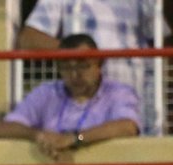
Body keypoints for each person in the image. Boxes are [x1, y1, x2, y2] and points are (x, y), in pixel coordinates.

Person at [0, 34, 139, 160]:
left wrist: (75, 138)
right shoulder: (46, 92)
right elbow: (5, 128)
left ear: (99, 63)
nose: (74, 75)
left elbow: (127, 127)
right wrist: (38, 135)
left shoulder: (118, 92)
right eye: (66, 67)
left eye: (83, 66)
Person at [17, 0, 169, 106]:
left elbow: (162, 42)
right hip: (83, 101)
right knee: (83, 140)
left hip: (132, 101)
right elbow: (29, 38)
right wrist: (79, 54)